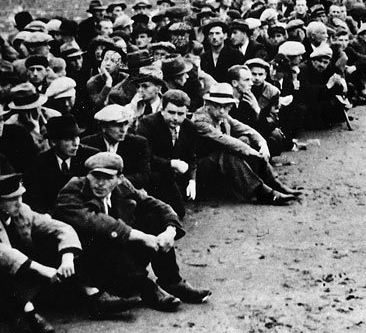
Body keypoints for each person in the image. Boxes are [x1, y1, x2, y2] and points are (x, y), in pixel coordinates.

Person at [53, 153, 211, 312]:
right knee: (106, 235)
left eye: (108, 178)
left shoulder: (123, 186)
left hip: (118, 259)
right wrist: (142, 237)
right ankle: (146, 287)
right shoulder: (73, 189)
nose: (100, 183)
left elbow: (158, 205)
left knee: (153, 218)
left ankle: (172, 281)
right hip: (87, 263)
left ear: (119, 178)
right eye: (95, 176)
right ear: (87, 175)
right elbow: (97, 223)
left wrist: (170, 231)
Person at [0, 173, 142, 333]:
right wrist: (42, 269)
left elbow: (60, 228)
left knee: (58, 244)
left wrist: (67, 256)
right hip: (9, 274)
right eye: (12, 199)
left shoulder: (23, 211)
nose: (19, 202)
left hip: (26, 270)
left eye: (20, 196)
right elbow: (5, 254)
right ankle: (30, 315)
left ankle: (94, 297)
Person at [191, 83, 299, 205]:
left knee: (245, 139)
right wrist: (252, 152)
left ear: (230, 106)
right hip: (200, 171)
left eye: (225, 106)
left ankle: (275, 183)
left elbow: (244, 128)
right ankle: (262, 192)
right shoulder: (200, 120)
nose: (221, 110)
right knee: (227, 154)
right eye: (216, 106)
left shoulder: (223, 116)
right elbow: (224, 140)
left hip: (219, 168)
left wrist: (262, 143)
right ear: (208, 104)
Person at [134, 90, 200, 219]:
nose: (175, 118)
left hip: (175, 175)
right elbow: (145, 157)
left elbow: (192, 157)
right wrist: (171, 163)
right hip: (154, 174)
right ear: (162, 110)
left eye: (180, 114)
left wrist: (192, 180)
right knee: (177, 213)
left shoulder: (189, 127)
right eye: (171, 112)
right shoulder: (147, 124)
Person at [25, 115, 99, 214]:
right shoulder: (40, 163)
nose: (76, 143)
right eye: (68, 139)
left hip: (84, 212)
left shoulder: (91, 157)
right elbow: (35, 199)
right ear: (53, 142)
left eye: (77, 137)